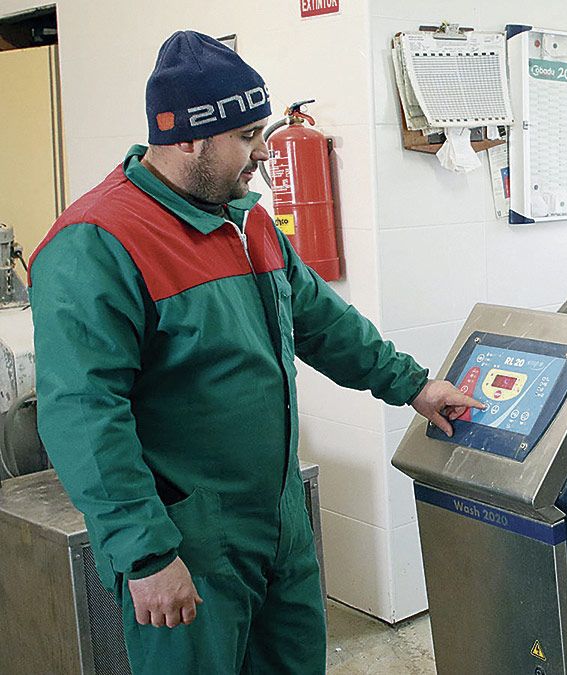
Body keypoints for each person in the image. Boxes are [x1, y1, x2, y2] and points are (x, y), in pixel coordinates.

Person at [28, 30, 484, 673]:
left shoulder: (246, 219)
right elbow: (83, 411)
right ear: (187, 136)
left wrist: (411, 384)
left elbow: (320, 320)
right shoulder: (98, 242)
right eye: (247, 137)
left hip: (277, 518)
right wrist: (146, 554)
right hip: (187, 534)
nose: (263, 155)